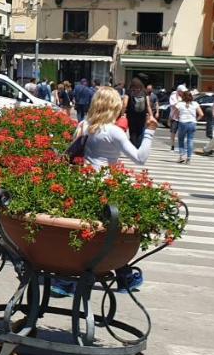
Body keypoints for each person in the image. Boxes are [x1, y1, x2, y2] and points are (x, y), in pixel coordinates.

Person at [54, 87, 158, 296]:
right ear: (114, 106)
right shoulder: (113, 131)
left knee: (82, 233)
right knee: (112, 234)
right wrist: (150, 132)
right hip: (106, 186)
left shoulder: (84, 125)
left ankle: (66, 279)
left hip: (83, 184)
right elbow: (140, 157)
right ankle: (124, 276)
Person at [121, 78, 154, 149]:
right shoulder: (145, 92)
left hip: (131, 115)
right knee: (140, 131)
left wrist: (122, 114)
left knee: (133, 132)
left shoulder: (129, 91)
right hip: (142, 116)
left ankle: (133, 147)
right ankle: (138, 146)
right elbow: (148, 105)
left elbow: (124, 104)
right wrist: (151, 115)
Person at [173, 89, 200, 164]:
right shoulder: (195, 103)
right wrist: (196, 120)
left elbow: (175, 114)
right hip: (192, 123)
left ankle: (181, 156)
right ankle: (189, 158)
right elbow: (201, 114)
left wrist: (178, 117)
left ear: (183, 96)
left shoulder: (180, 104)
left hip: (183, 123)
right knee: (190, 140)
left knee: (181, 139)